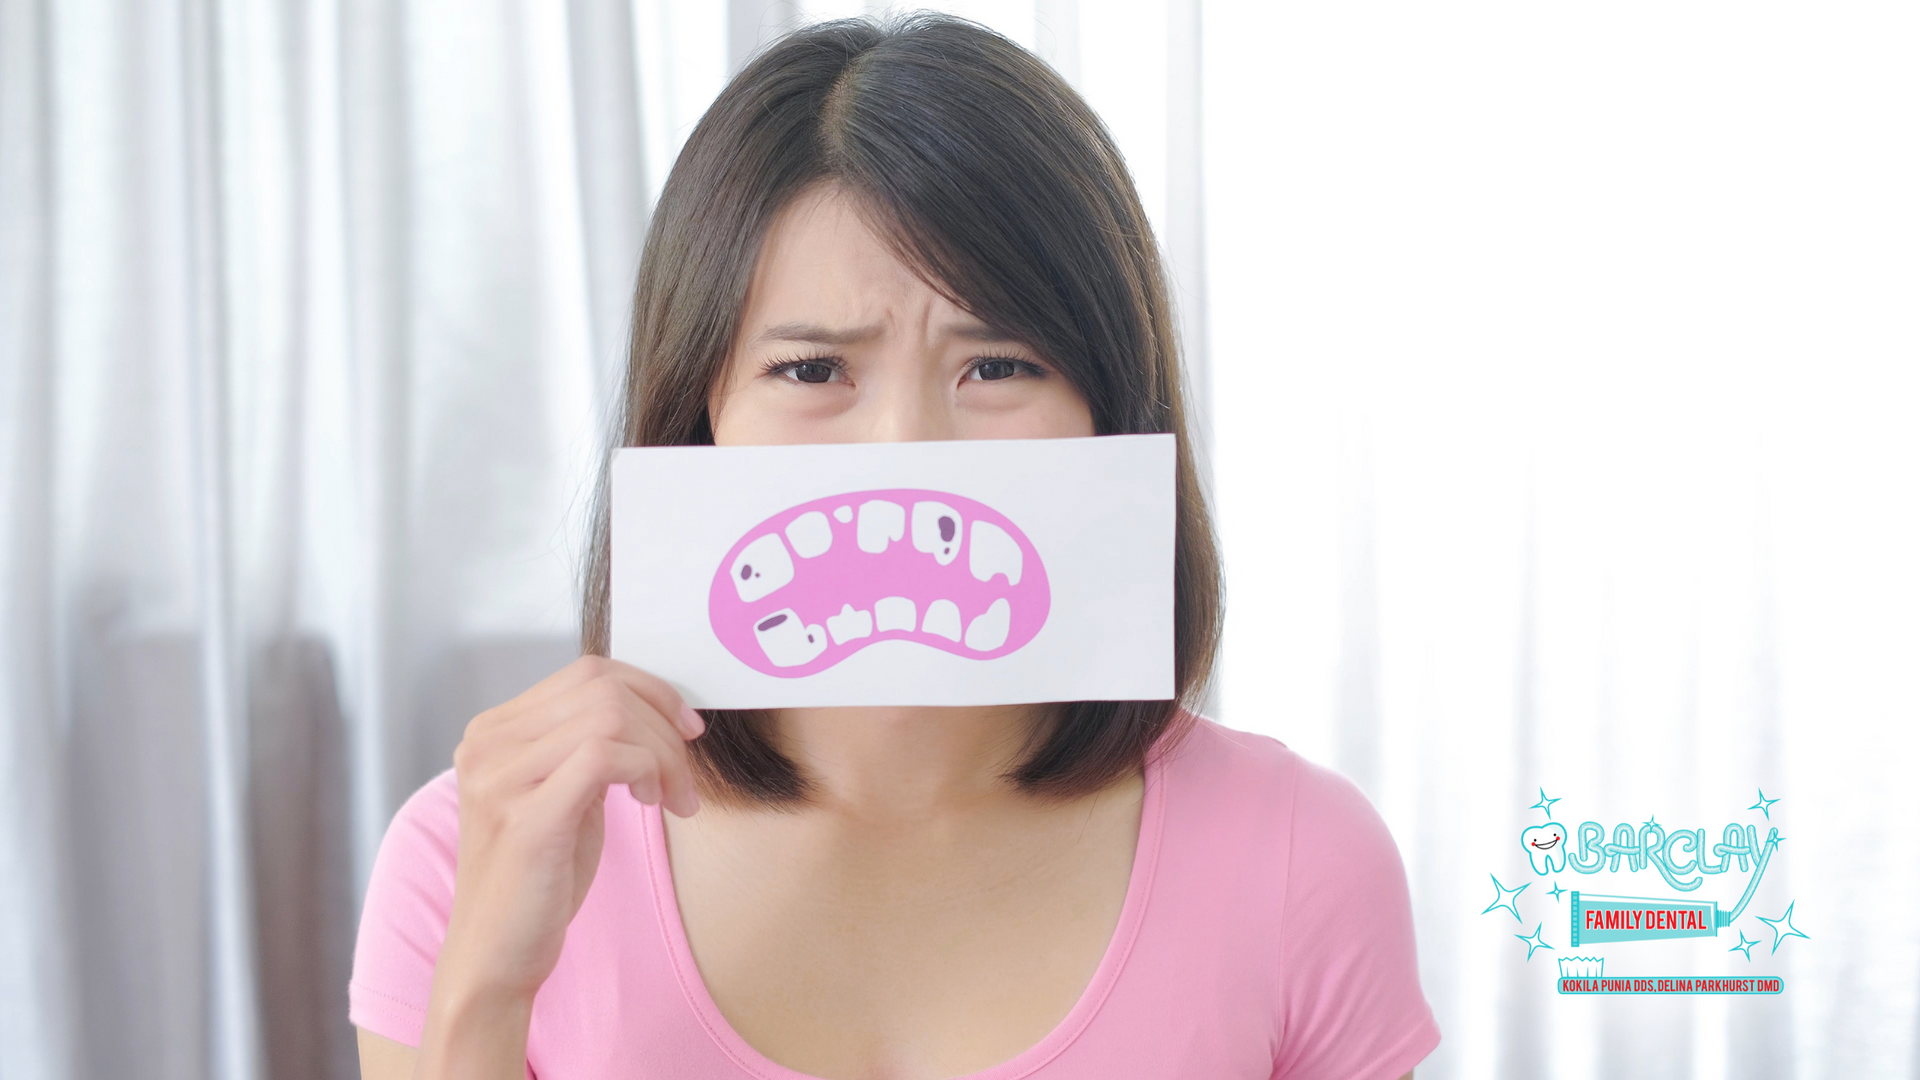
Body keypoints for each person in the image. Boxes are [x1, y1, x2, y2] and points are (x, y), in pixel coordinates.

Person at [349, 13, 1438, 1079]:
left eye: (998, 366)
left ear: (1114, 406)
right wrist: (485, 988)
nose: (906, 446)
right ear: (700, 414)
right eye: (814, 371)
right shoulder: (471, 858)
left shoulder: (1303, 860)